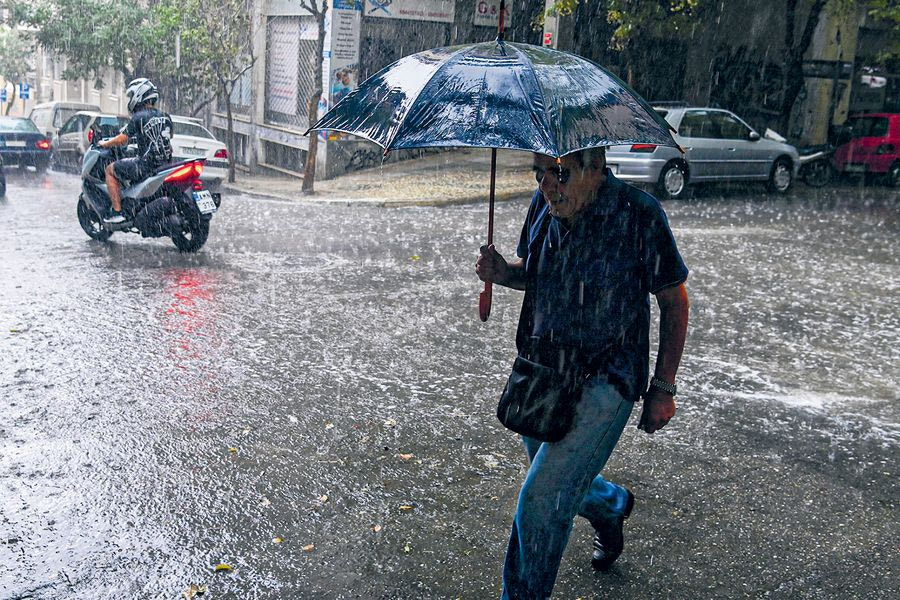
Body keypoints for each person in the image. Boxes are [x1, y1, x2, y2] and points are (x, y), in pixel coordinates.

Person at [475, 147, 690, 599]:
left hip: (606, 379)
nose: (546, 187)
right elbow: (534, 273)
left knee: (542, 500)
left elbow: (674, 300)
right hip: (543, 374)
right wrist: (502, 272)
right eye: (539, 175)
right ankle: (610, 504)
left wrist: (663, 387)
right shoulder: (544, 205)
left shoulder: (638, 214)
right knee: (556, 479)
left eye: (558, 174)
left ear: (596, 169)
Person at [99, 78, 173, 224]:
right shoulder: (165, 116)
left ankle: (117, 212)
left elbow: (122, 139)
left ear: (139, 95)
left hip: (145, 165)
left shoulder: (139, 117)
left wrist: (106, 143)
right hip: (165, 165)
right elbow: (167, 138)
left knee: (110, 170)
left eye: (132, 95)